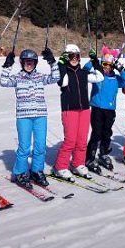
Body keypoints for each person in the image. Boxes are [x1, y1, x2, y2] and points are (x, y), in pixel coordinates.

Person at [0, 48, 60, 188]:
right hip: (24, 117)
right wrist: (7, 65)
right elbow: (3, 81)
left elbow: (55, 77)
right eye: (26, 61)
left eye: (32, 62)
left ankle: (36, 171)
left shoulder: (39, 77)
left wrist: (52, 61)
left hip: (40, 116)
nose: (29, 64)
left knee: (40, 147)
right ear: (21, 62)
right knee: (24, 148)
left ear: (36, 63)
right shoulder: (17, 78)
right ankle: (20, 173)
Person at [52, 44, 104, 179]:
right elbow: (62, 83)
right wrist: (61, 65)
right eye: (71, 56)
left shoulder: (83, 73)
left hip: (84, 110)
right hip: (70, 110)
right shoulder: (65, 73)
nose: (74, 59)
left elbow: (100, 77)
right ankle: (60, 167)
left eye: (77, 56)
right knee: (70, 140)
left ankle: (77, 164)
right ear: (66, 57)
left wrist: (95, 61)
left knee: (81, 140)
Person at [83, 46, 125, 173]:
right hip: (97, 108)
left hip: (110, 109)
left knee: (107, 133)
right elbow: (84, 72)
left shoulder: (115, 78)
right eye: (104, 64)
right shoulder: (97, 75)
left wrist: (120, 69)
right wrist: (92, 62)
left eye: (109, 65)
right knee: (96, 133)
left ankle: (103, 154)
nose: (106, 67)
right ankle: (90, 157)